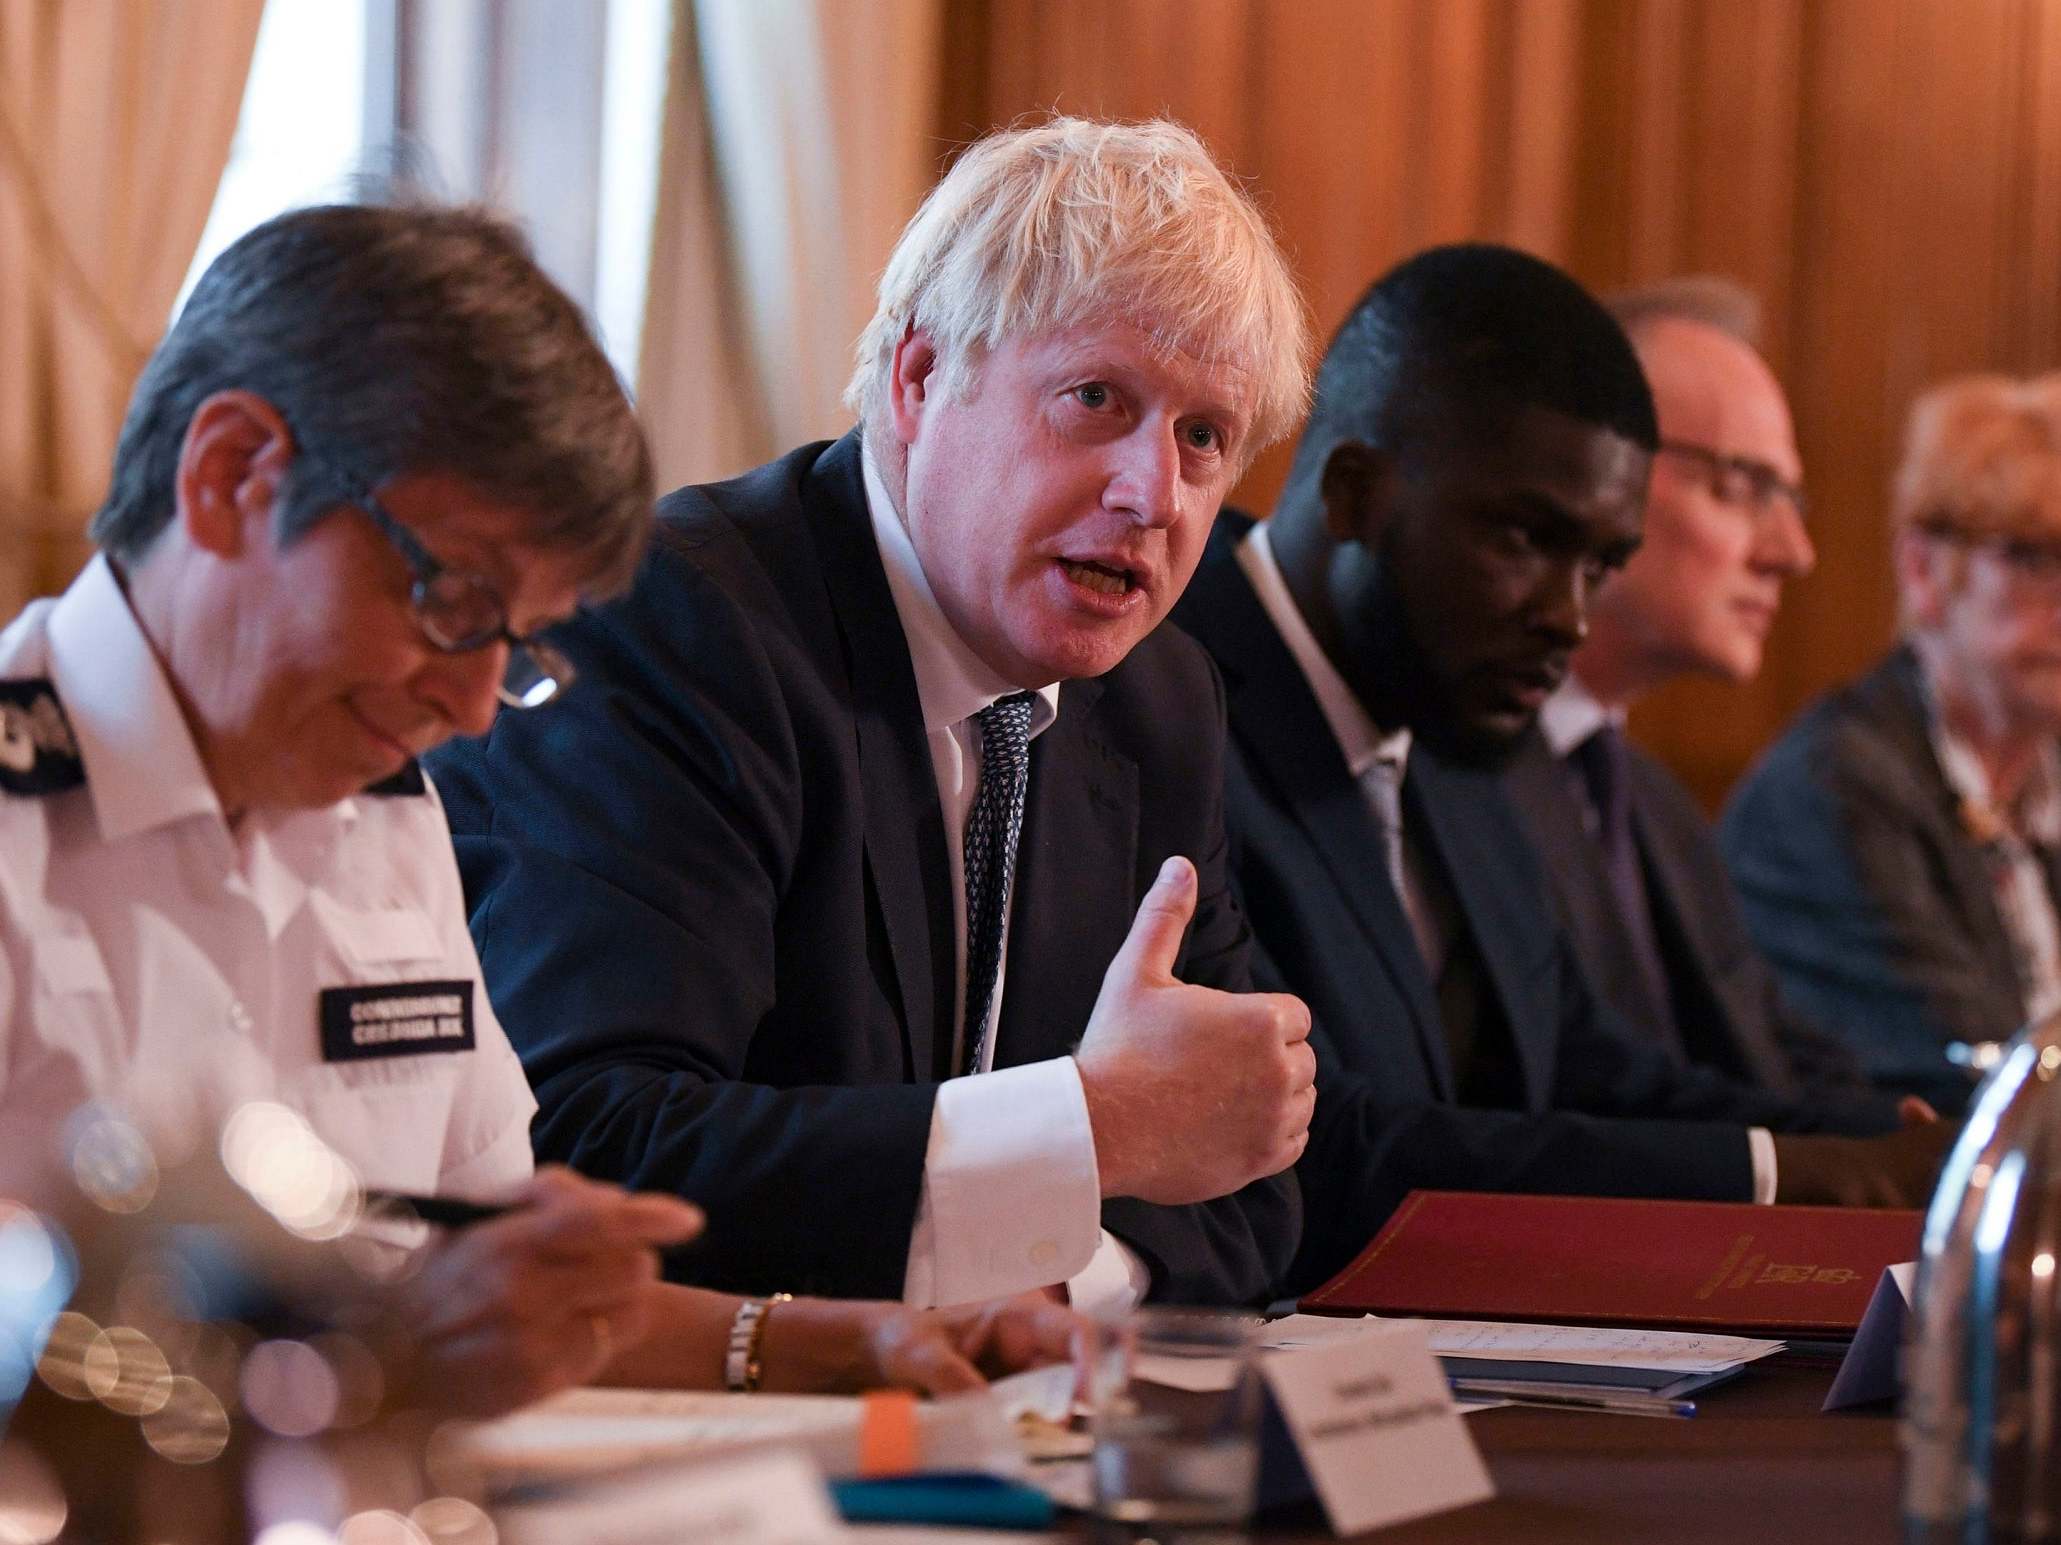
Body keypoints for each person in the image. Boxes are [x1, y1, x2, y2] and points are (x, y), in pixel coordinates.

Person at [0, 203, 1080, 1414]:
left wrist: (848, 1345)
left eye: (513, 646)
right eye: (453, 604)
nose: (472, 712)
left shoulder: (385, 824)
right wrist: (374, 1350)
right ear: (232, 475)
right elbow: (391, 1323)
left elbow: (477, 1280)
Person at [427, 117, 1316, 1313]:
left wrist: (1033, 1296)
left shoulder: (1159, 702)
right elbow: (593, 1145)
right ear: (918, 378)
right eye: (1096, 398)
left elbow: (1242, 1180)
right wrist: (1082, 1136)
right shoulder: (676, 627)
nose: (1151, 493)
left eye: (1203, 438)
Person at [1167, 244, 1948, 1295]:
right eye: (1528, 540)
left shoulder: (1456, 707)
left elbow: (1581, 1067)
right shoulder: (1160, 698)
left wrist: (1902, 1146)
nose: (1566, 621)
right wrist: (1812, 1176)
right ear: (1357, 492)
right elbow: (1325, 1146)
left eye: (1600, 566)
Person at [1498, 278, 1894, 1113]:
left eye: (1790, 499)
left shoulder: (1659, 808)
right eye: (1743, 486)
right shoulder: (1440, 775)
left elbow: (1779, 1058)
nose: (1793, 552)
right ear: (1594, 467)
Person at [1723, 374, 2061, 1115]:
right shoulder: (1836, 785)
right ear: (1922, 570)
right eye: (2036, 558)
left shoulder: (2042, 779)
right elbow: (1980, 1080)